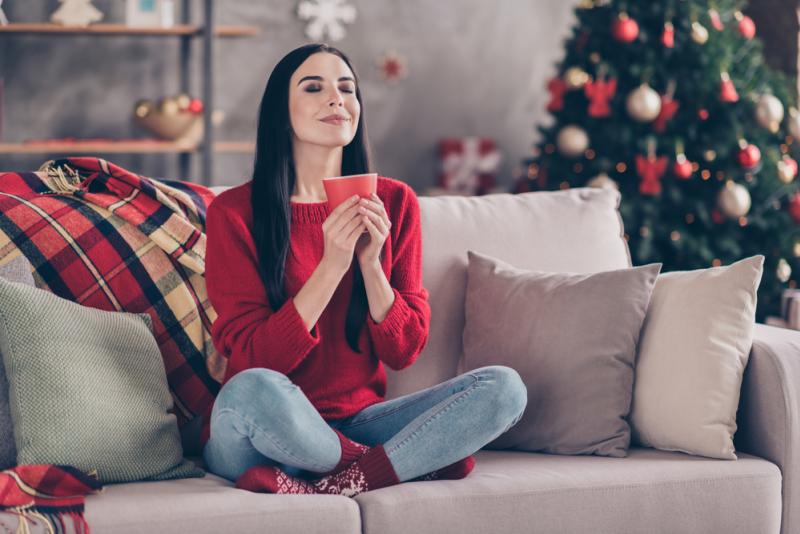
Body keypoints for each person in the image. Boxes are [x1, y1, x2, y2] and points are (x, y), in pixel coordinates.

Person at [202, 43, 528, 496]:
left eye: (347, 88)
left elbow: (404, 350)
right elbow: (255, 360)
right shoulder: (234, 213)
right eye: (313, 87)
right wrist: (332, 265)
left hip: (361, 422)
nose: (337, 98)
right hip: (262, 429)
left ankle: (332, 481)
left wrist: (370, 266)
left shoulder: (395, 203)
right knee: (251, 389)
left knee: (504, 389)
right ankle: (389, 465)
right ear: (281, 111)